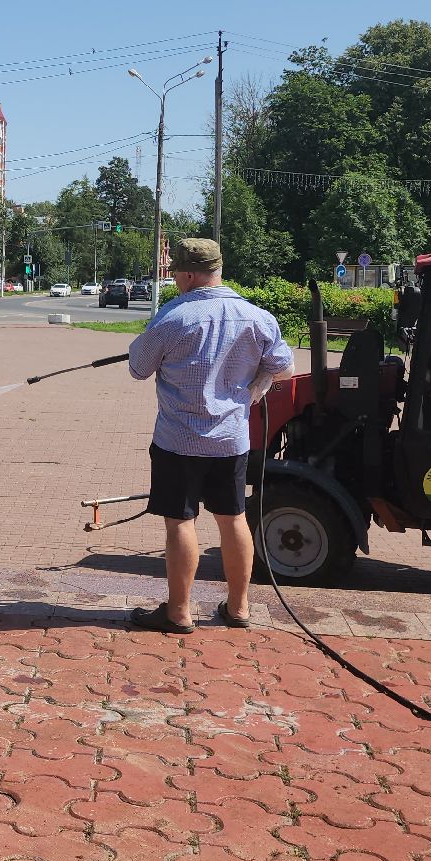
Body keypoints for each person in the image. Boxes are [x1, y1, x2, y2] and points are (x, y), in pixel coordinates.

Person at [126, 238, 294, 634]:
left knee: (180, 523)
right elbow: (283, 368)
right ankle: (238, 609)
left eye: (174, 274)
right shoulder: (256, 317)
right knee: (233, 519)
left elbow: (137, 368)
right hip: (231, 441)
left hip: (177, 442)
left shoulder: (171, 318)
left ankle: (179, 613)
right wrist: (257, 383)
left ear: (187, 274)